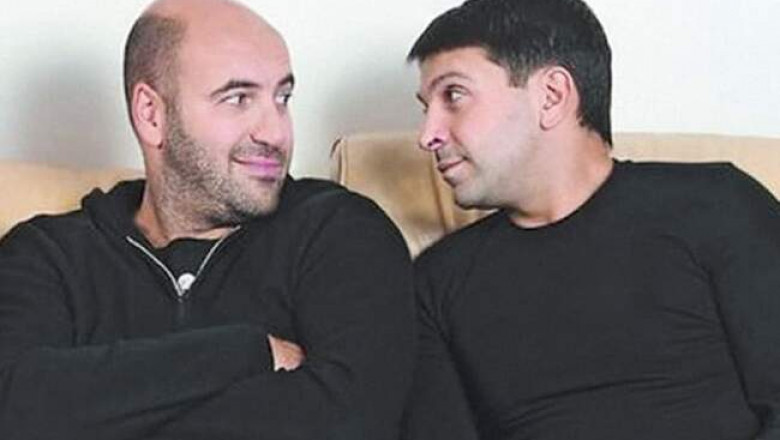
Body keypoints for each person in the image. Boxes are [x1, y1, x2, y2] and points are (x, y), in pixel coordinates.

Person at [0, 0, 415, 438]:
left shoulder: (339, 232)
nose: (275, 132)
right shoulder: (46, 256)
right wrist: (245, 352)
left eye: (282, 97)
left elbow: (349, 422)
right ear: (151, 114)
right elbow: (11, 407)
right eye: (238, 99)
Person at [402, 0, 780, 439]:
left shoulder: (715, 205)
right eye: (426, 108)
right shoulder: (436, 282)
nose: (427, 136)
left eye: (453, 96)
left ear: (551, 96)